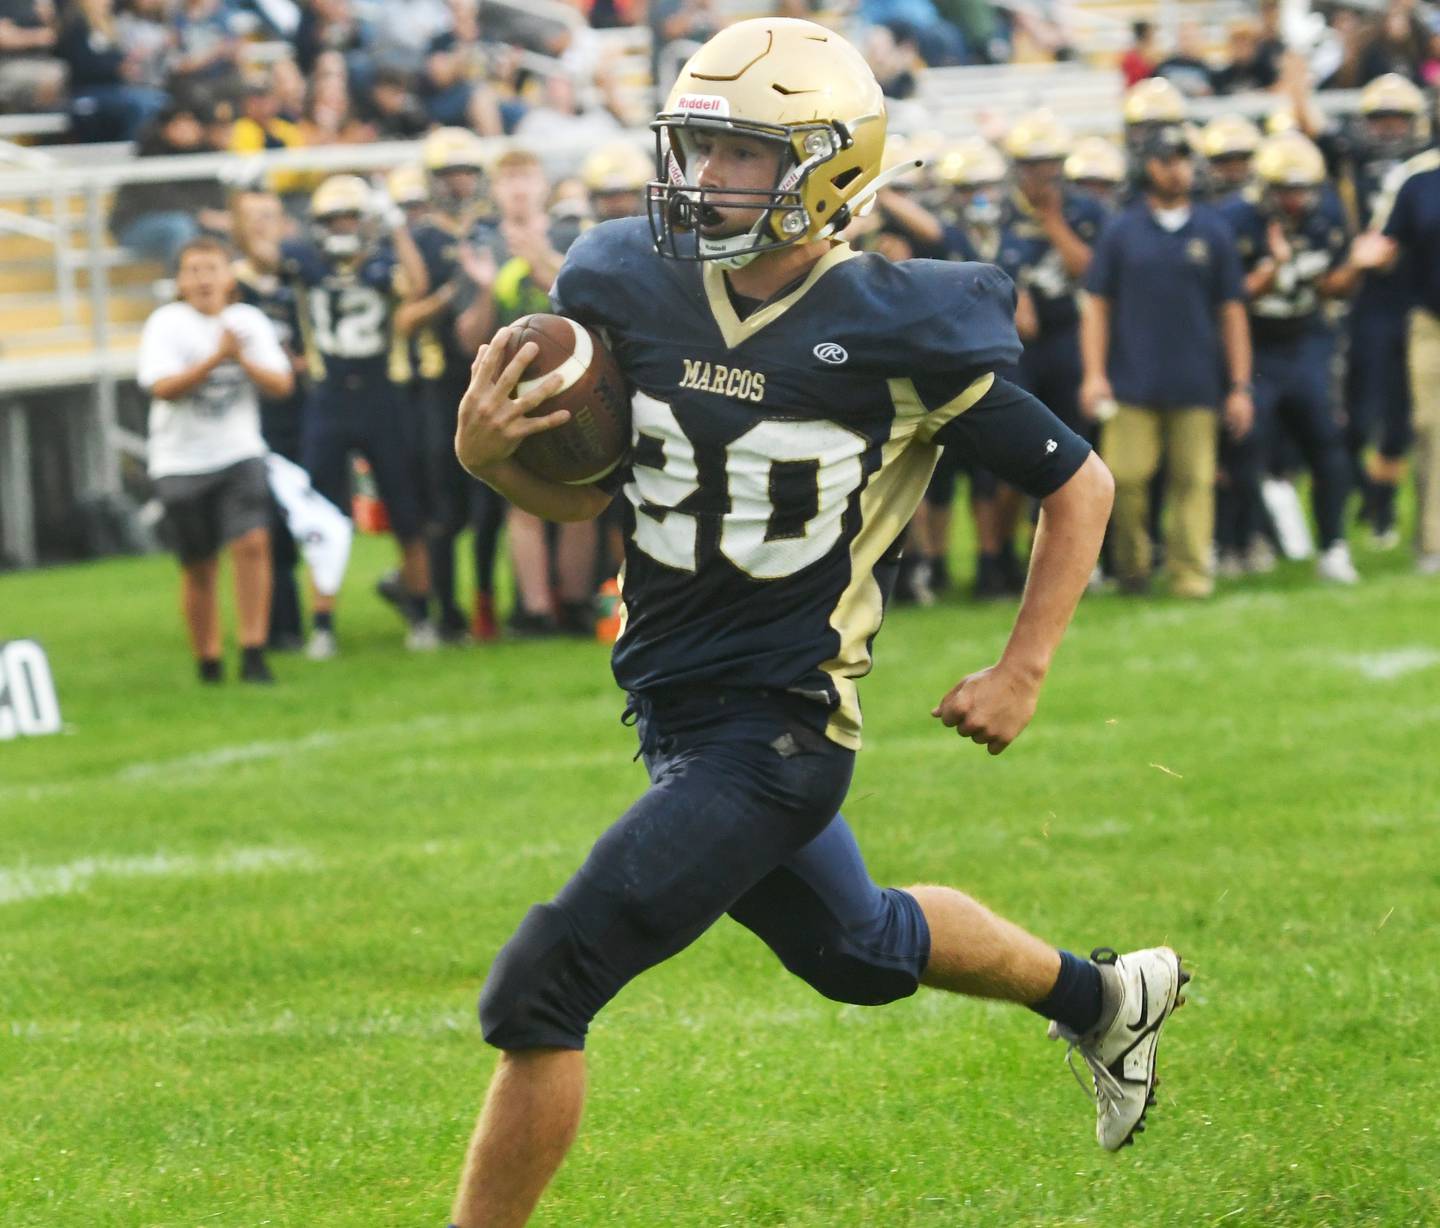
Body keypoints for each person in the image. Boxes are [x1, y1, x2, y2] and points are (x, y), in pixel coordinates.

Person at [447, 20, 1189, 1228]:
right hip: (676, 709)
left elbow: (1080, 483)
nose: (702, 181)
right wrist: (493, 465)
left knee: (542, 987)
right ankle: (1106, 998)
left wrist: (1022, 668)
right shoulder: (625, 285)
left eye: (738, 154)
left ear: (830, 169)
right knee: (860, 951)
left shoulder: (898, 327)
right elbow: (594, 499)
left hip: (781, 732)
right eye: (694, 149)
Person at [1080, 123, 1253, 598]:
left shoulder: (1213, 231)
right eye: (1165, 159)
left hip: (1197, 380)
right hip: (1131, 380)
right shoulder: (1122, 231)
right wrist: (1094, 374)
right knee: (1126, 481)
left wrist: (1240, 384)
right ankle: (1132, 568)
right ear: (1148, 166)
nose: (1175, 169)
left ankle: (1190, 575)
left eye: (1181, 159)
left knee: (1195, 484)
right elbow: (1096, 305)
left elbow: (1232, 312)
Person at [1216, 131, 1386, 583]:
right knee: (1244, 444)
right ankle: (1240, 541)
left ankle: (1333, 545)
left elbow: (1332, 285)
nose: (1295, 200)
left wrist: (1357, 266)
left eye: (1302, 189)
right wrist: (1273, 268)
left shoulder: (1328, 212)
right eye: (1285, 190)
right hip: (1254, 344)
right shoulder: (1234, 219)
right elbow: (1229, 299)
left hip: (1305, 339)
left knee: (1327, 443)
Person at [284, 173, 436, 655]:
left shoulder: (385, 263)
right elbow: (263, 252)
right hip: (328, 399)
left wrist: (395, 229)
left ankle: (421, 616)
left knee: (405, 511)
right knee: (323, 517)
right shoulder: (305, 264)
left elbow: (416, 284)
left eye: (351, 216)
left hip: (381, 397)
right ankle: (323, 624)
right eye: (334, 219)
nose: (343, 226)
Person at [137, 236, 294, 684]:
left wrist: (240, 356)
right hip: (180, 461)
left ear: (230, 276)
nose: (203, 279)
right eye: (193, 270)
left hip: (238, 451)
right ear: (180, 280)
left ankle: (253, 650)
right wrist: (214, 360)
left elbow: (281, 385)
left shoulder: (247, 321)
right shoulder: (166, 324)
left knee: (252, 545)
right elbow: (162, 387)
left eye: (212, 269)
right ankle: (208, 659)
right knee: (199, 563)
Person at [1374, 138, 1440, 573]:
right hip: (1430, 321)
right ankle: (1434, 542)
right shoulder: (1418, 181)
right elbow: (1384, 249)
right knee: (1432, 429)